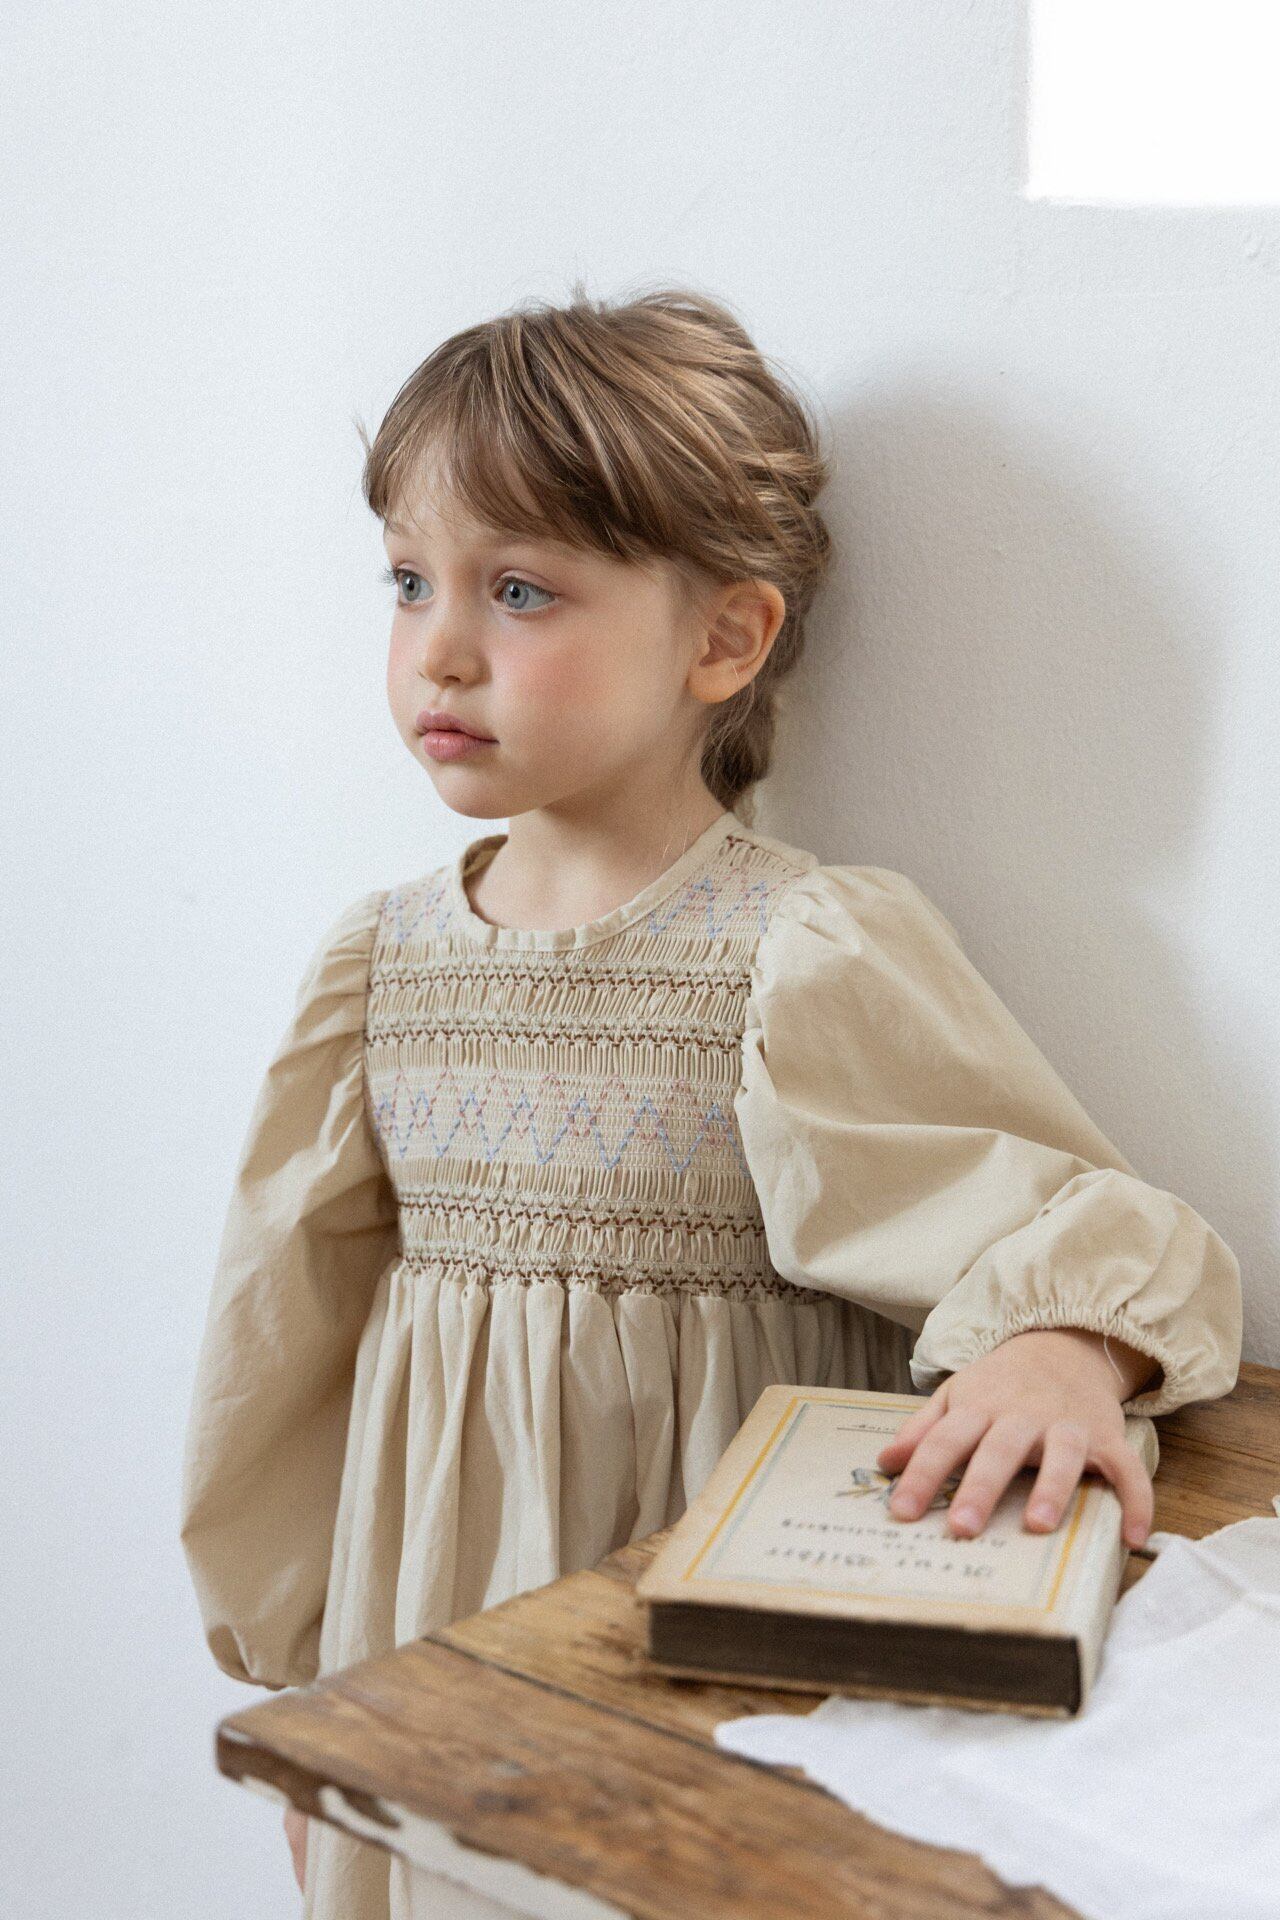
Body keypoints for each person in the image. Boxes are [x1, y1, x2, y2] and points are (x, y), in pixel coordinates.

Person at [179, 285, 1243, 1919]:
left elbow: (1092, 1225)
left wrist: (1061, 1344)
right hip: (439, 1663)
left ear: (723, 641)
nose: (440, 649)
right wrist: (318, 1693)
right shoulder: (377, 965)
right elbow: (285, 1352)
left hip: (707, 1676)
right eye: (408, 582)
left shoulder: (791, 955)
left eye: (519, 590)